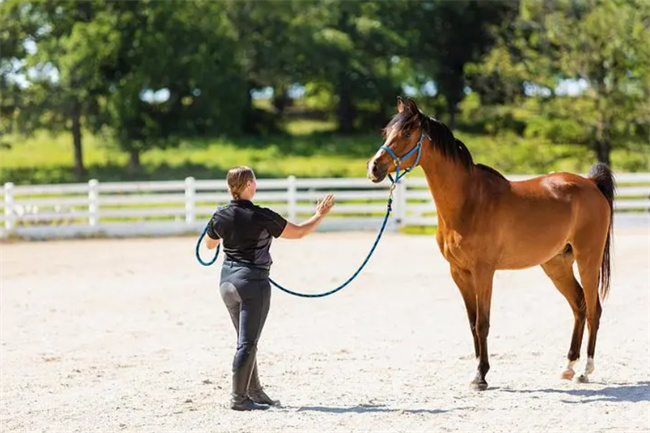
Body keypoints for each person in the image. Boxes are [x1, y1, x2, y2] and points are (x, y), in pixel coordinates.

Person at [204, 166, 335, 411]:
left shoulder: (219, 215)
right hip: (252, 284)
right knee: (247, 344)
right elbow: (299, 233)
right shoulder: (262, 215)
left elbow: (210, 245)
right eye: (254, 180)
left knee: (245, 341)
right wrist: (320, 215)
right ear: (248, 185)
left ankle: (254, 391)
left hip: (227, 284)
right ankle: (239, 399)